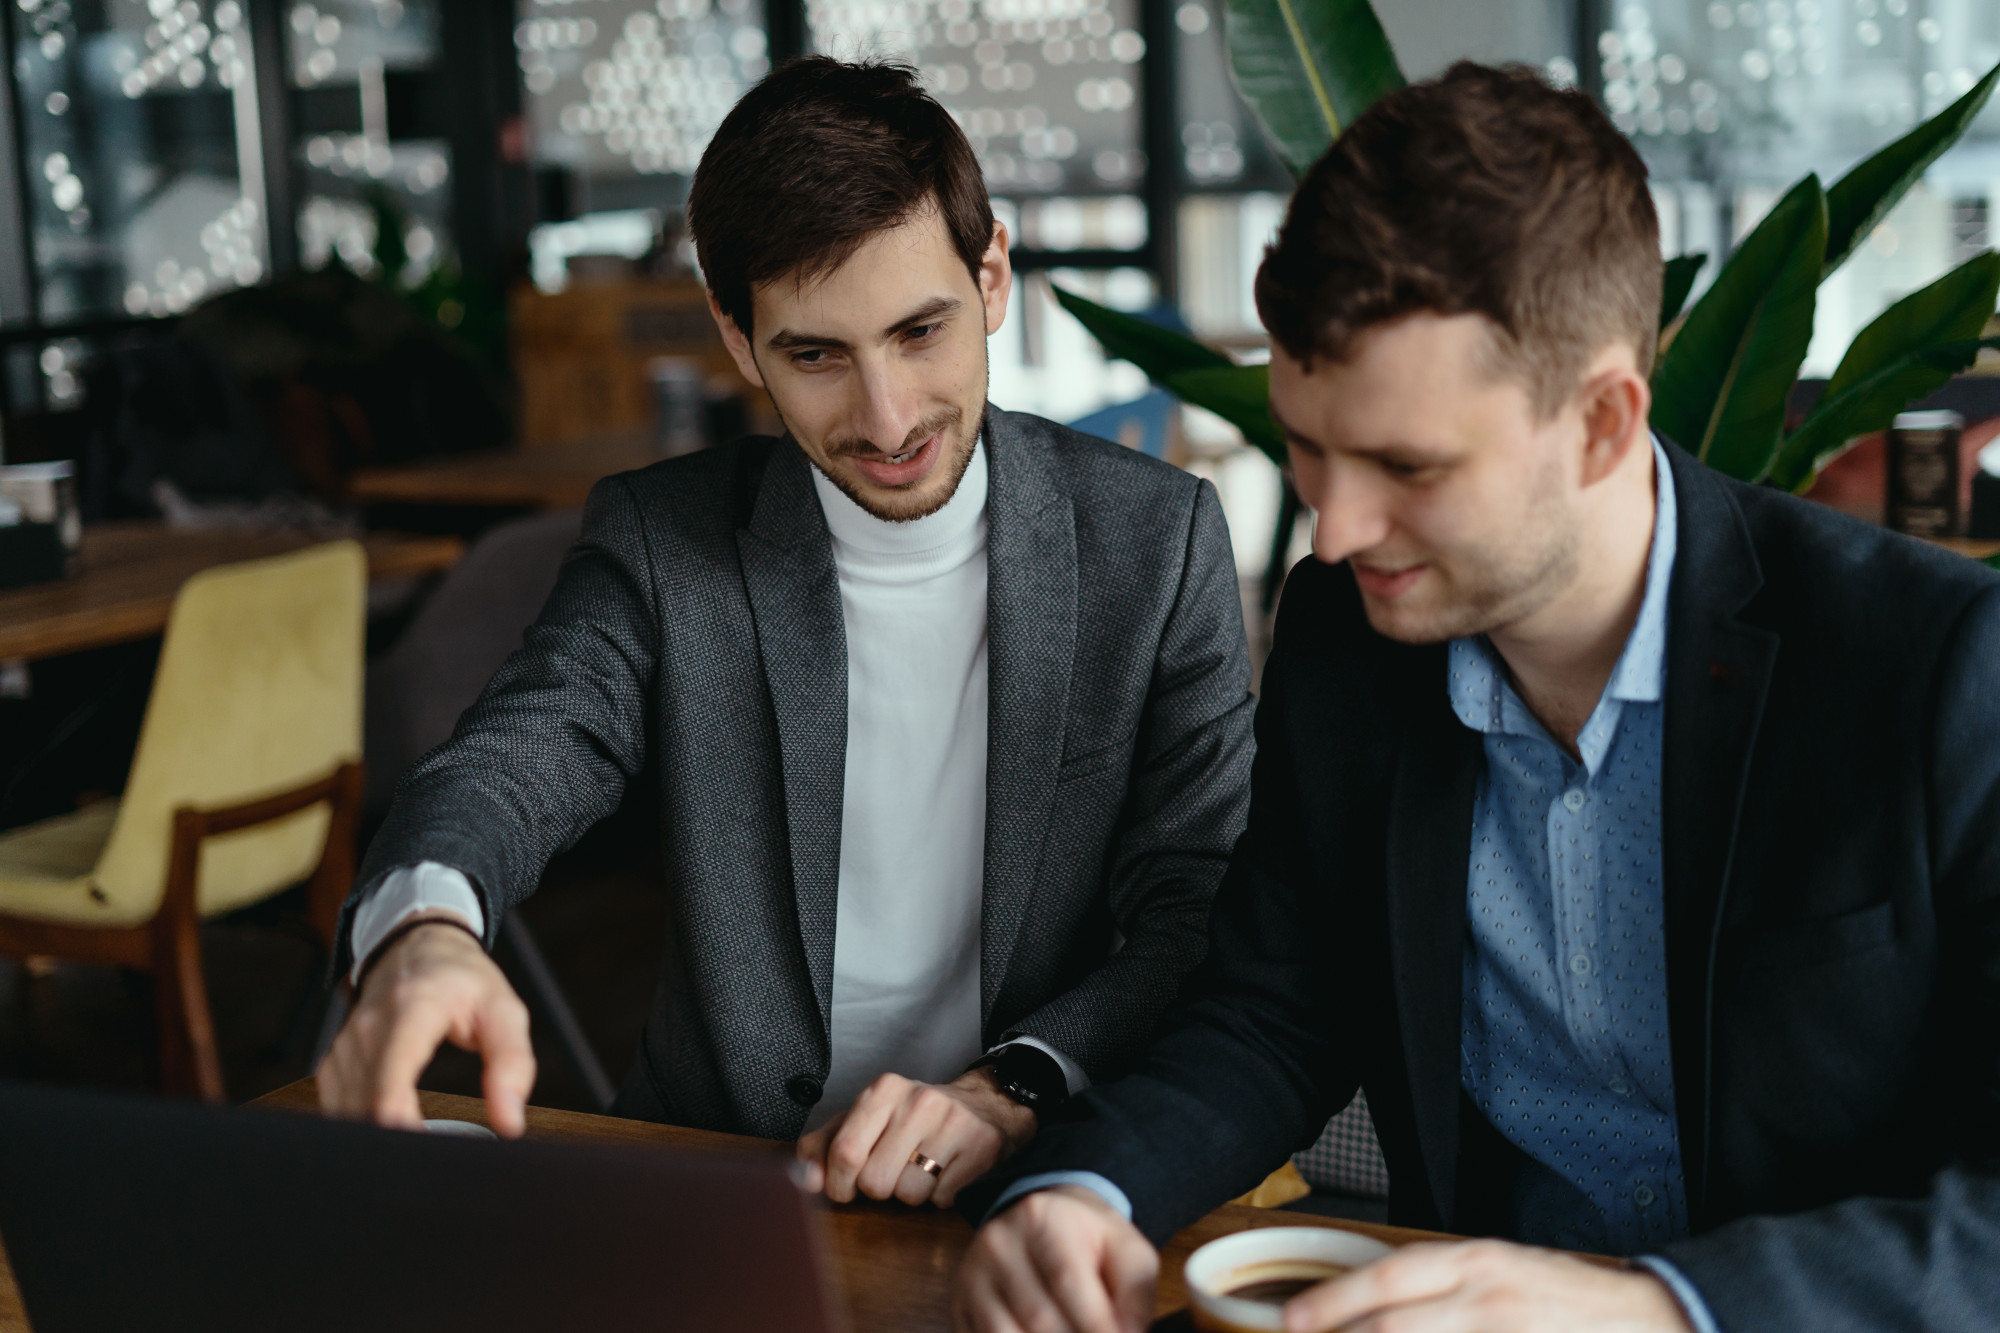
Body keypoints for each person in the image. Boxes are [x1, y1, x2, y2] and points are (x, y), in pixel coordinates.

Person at [952, 61, 2000, 1333]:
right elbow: (1275, 1008)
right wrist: (1088, 1185)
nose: (1332, 531)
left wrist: (1653, 1311)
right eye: (1306, 447)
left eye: (1405, 464)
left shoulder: (1937, 665)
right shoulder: (1350, 637)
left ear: (1604, 422)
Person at [316, 57, 1256, 1210]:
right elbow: (514, 759)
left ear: (993, 272)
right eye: (815, 355)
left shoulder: (1155, 544)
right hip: (720, 1180)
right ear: (734, 333)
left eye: (920, 331)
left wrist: (1010, 1087)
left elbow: (1195, 904)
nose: (888, 417)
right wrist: (424, 923)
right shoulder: (664, 544)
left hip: (1035, 1166)